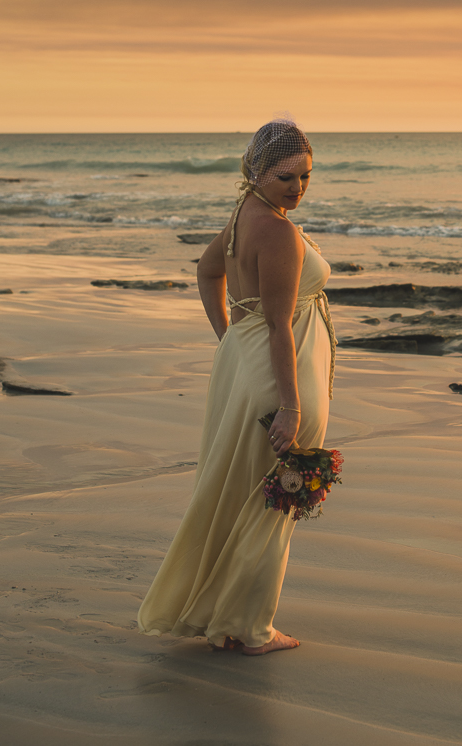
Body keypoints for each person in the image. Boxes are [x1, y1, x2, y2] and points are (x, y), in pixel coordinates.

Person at [137, 118, 336, 656]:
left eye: (306, 177)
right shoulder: (278, 231)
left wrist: (229, 339)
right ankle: (252, 629)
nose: (297, 189)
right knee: (273, 502)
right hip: (278, 380)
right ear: (257, 172)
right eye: (286, 178)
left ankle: (226, 619)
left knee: (245, 496)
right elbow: (277, 327)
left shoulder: (244, 215)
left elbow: (207, 274)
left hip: (245, 369)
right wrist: (291, 407)